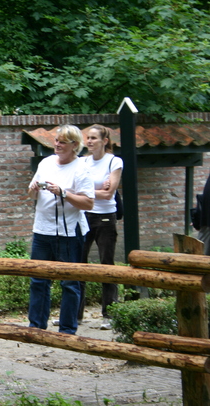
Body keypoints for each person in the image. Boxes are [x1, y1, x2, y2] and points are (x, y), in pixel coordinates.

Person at [27, 124, 94, 335]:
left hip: (69, 232)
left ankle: (67, 330)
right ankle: (36, 327)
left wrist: (63, 193)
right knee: (38, 279)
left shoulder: (81, 168)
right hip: (42, 230)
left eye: (62, 141)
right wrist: (33, 189)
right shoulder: (46, 163)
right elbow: (31, 194)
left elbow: (88, 203)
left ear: (75, 145)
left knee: (69, 282)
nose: (57, 144)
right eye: (56, 140)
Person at [77, 125, 123, 330]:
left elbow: (108, 194)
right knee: (78, 264)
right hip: (84, 215)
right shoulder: (82, 161)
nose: (89, 141)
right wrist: (95, 190)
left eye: (94, 138)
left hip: (105, 216)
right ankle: (74, 314)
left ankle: (110, 314)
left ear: (105, 141)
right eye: (88, 138)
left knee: (106, 263)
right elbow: (72, 187)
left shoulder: (114, 161)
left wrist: (87, 191)